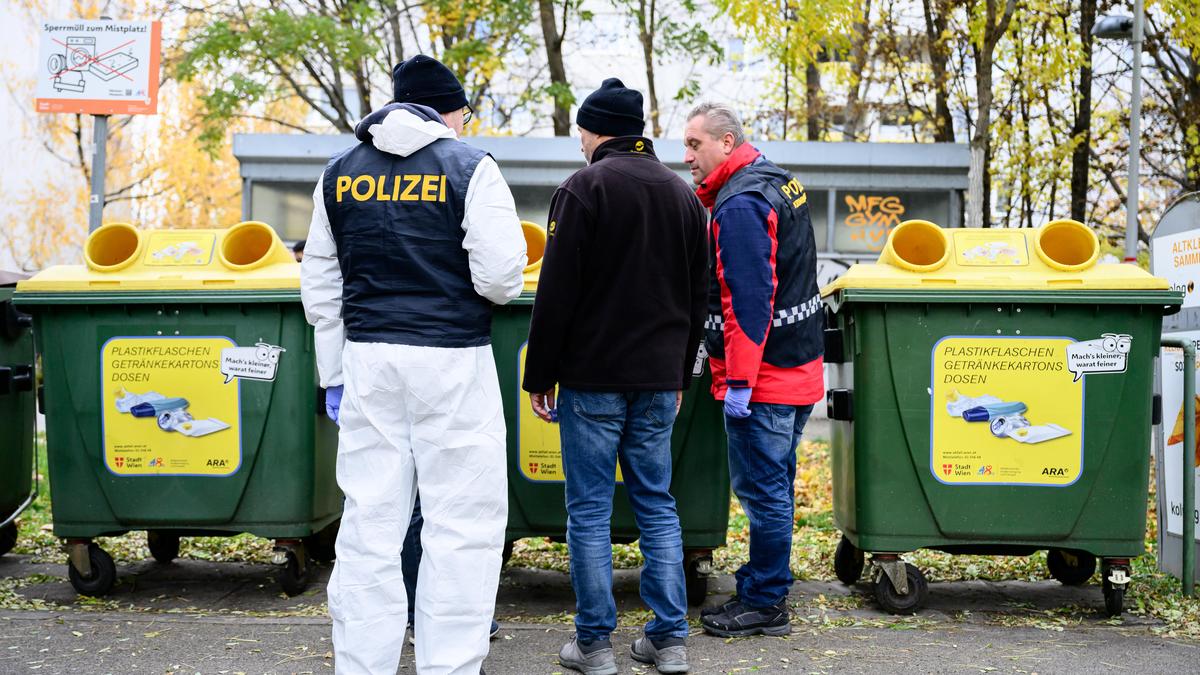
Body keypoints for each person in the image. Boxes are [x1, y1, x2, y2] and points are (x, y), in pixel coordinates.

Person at [300, 54, 527, 674]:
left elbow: (320, 283)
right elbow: (504, 278)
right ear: (450, 111)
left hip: (368, 360)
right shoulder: (470, 166)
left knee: (370, 525)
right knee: (461, 525)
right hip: (453, 360)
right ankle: (448, 665)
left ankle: (362, 665)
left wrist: (333, 373)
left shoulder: (340, 173)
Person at [522, 78, 709, 675]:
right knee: (657, 505)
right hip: (658, 381)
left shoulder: (583, 189)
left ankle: (595, 644)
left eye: (580, 130)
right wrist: (679, 373)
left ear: (597, 129)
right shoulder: (683, 197)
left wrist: (539, 374)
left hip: (594, 378)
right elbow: (697, 295)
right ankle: (670, 639)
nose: (578, 141)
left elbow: (557, 293)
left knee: (590, 511)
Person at [682, 103, 825, 638]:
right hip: (797, 369)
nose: (687, 155)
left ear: (726, 141)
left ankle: (765, 602)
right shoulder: (776, 181)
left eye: (696, 144)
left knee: (763, 491)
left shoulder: (740, 204)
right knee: (777, 486)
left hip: (764, 381)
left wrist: (739, 381)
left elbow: (749, 303)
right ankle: (767, 581)